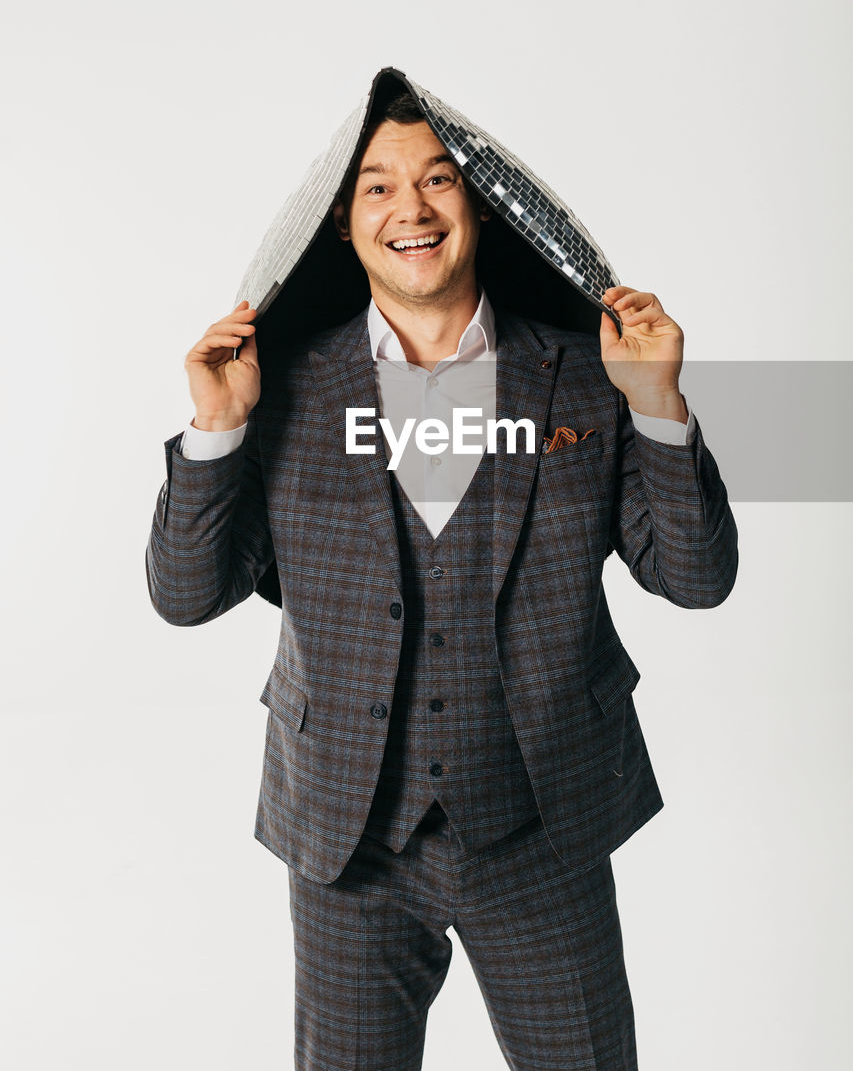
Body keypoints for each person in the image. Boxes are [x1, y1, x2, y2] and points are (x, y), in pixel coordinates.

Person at [146, 90, 737, 1070]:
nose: (408, 209)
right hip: (347, 838)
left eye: (437, 179)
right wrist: (215, 430)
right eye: (377, 185)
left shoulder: (588, 378)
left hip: (543, 824)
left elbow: (695, 576)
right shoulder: (281, 383)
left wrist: (660, 402)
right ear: (344, 220)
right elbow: (184, 593)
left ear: (480, 205)